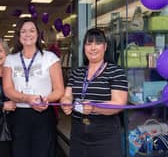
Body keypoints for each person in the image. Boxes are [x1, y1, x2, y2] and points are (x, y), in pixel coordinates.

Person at [61, 28, 128, 157]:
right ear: (84, 47)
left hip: (105, 136)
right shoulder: (77, 72)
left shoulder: (116, 72)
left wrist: (94, 108)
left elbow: (119, 103)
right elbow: (67, 95)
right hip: (78, 134)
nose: (93, 48)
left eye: (98, 43)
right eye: (89, 43)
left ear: (105, 46)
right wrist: (66, 103)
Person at [3, 17, 64, 157]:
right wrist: (27, 98)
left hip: (43, 114)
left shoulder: (50, 58)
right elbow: (8, 89)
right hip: (19, 116)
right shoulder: (10, 59)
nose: (28, 34)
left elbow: (59, 89)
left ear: (38, 33)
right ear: (18, 35)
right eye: (23, 31)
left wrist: (42, 100)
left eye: (32, 30)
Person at [0, 38, 16, 157]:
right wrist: (3, 105)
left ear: (5, 52)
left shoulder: (14, 73)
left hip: (13, 126)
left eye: (0, 51)